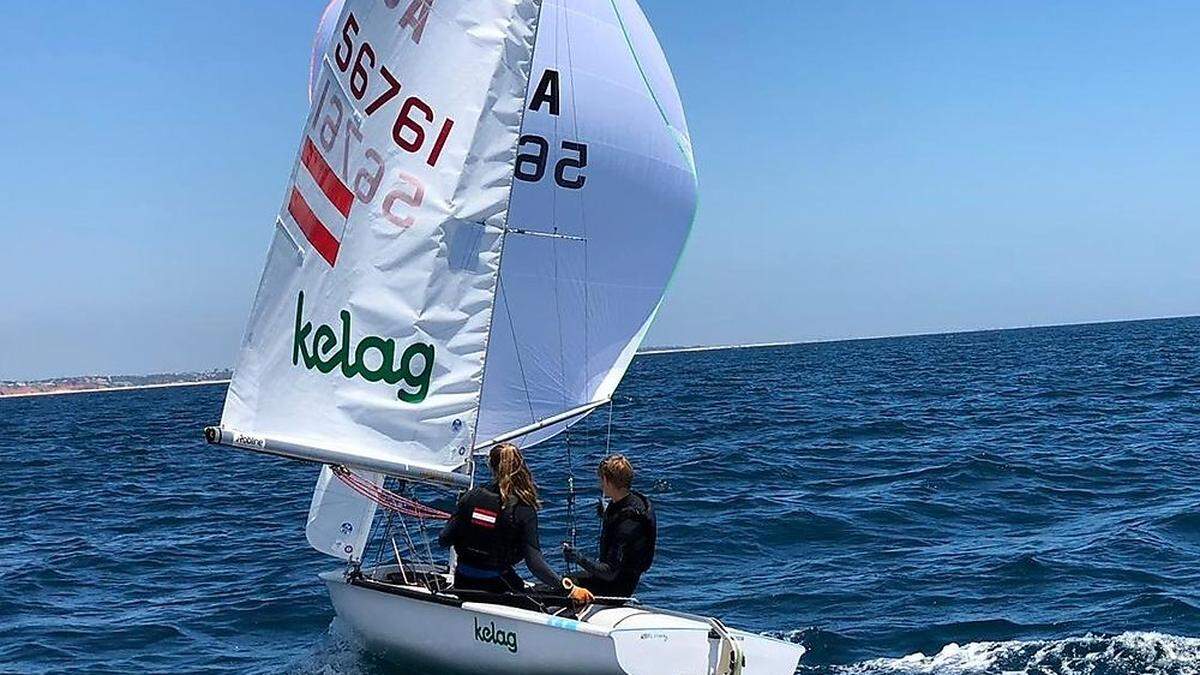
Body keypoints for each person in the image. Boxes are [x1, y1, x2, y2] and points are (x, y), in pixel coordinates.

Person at [439, 442, 593, 604]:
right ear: (521, 466)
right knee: (551, 601)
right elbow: (534, 563)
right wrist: (569, 589)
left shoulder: (471, 497)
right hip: (497, 588)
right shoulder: (523, 508)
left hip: (463, 584)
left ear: (491, 465)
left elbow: (444, 540)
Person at [563, 454, 657, 598]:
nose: (600, 484)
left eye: (601, 480)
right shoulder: (632, 502)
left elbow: (609, 572)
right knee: (565, 579)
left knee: (564, 584)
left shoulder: (628, 523)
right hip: (618, 579)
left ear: (607, 480)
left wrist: (578, 558)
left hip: (615, 588)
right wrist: (607, 514)